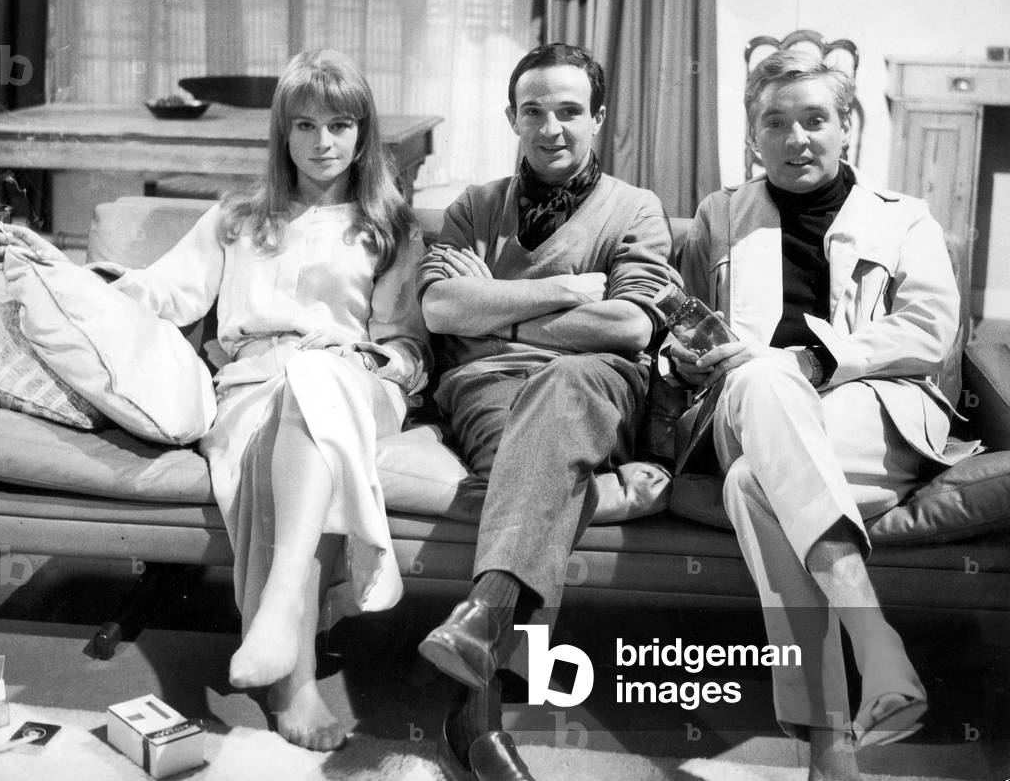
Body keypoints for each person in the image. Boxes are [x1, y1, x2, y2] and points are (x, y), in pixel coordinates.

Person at [0, 49, 430, 752]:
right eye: (306, 126)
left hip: (355, 381)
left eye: (341, 125)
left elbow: (408, 343)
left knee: (316, 385)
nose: (324, 143)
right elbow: (153, 292)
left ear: (363, 132)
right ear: (282, 134)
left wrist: (380, 369)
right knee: (285, 416)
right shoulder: (237, 218)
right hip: (255, 385)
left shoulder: (390, 227)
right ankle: (292, 664)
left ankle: (284, 631)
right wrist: (63, 278)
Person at [664, 49, 973, 781]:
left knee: (749, 485)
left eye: (815, 120)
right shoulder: (720, 215)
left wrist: (821, 362)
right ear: (752, 136)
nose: (797, 137)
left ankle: (830, 754)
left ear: (846, 132)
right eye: (777, 122)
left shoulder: (904, 220)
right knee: (765, 381)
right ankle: (879, 650)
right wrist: (684, 358)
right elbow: (676, 331)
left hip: (874, 416)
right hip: (747, 405)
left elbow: (931, 329)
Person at [415, 43, 679, 780]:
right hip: (489, 385)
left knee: (560, 394)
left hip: (595, 385)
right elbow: (440, 307)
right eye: (533, 110)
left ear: (598, 117)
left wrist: (493, 310)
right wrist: (568, 292)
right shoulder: (473, 206)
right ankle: (478, 694)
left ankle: (476, 683)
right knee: (522, 464)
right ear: (511, 117)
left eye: (569, 110)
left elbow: (630, 326)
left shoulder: (636, 209)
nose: (551, 126)